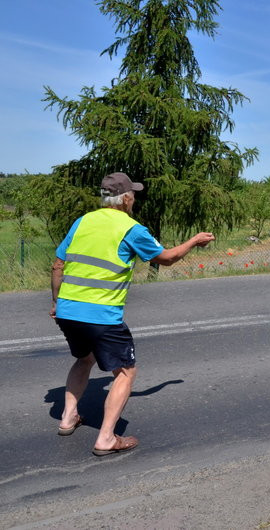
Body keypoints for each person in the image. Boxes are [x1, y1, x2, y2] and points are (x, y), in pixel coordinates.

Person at [50, 172, 215, 456]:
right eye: (133, 194)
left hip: (67, 310)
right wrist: (193, 241)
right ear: (125, 198)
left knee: (84, 358)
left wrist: (57, 303)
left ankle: (67, 418)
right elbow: (166, 258)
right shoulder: (132, 229)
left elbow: (57, 265)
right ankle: (106, 438)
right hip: (101, 314)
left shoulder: (82, 221)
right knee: (126, 371)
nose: (134, 198)